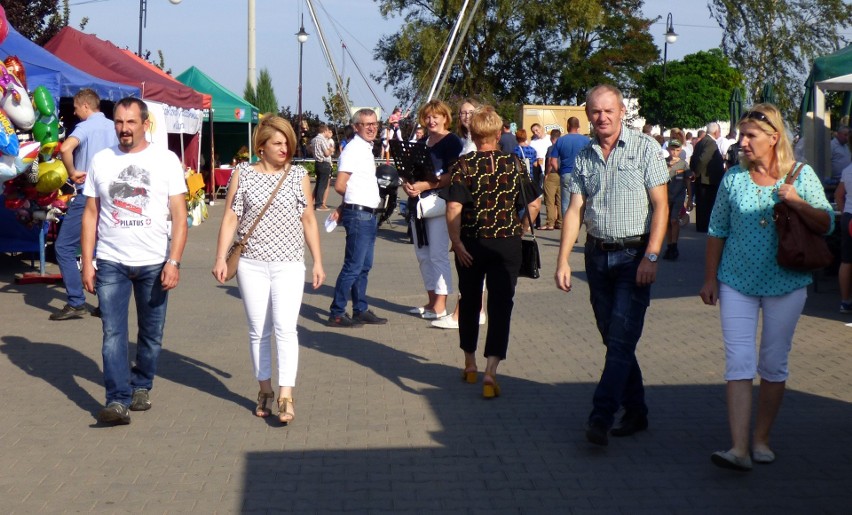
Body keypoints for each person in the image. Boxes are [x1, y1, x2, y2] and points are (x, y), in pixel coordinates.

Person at [699, 104, 834, 471]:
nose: (742, 142)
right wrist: (710, 278)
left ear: (774, 138)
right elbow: (716, 231)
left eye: (750, 136)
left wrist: (796, 201)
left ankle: (761, 439)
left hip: (787, 283)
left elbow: (827, 223)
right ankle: (738, 448)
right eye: (741, 135)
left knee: (773, 363)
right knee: (738, 362)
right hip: (736, 282)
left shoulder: (801, 175)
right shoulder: (733, 179)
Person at [554, 84, 669, 446]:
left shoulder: (644, 148)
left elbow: (662, 206)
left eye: (608, 111)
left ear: (621, 111)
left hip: (634, 257)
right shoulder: (585, 156)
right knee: (614, 339)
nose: (601, 117)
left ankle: (601, 415)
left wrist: (652, 254)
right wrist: (562, 261)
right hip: (596, 257)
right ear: (587, 114)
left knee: (620, 340)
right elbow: (574, 210)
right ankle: (636, 411)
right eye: (595, 111)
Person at [80, 97, 188, 425]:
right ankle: (117, 400)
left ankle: (142, 385)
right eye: (119, 122)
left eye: (130, 123)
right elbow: (91, 213)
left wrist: (174, 261)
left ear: (144, 124)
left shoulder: (166, 160)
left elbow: (179, 216)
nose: (124, 129)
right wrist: (87, 262)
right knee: (112, 332)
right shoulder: (102, 160)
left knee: (151, 332)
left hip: (155, 261)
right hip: (111, 260)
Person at [212, 115, 324, 425]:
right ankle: (265, 390)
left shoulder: (298, 175)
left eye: (287, 142)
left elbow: (309, 220)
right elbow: (231, 218)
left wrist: (317, 261)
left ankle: (286, 394)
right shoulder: (243, 174)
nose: (284, 148)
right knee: (258, 329)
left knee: (286, 328)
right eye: (277, 143)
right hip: (251, 264)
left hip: (288, 263)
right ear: (261, 147)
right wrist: (221, 257)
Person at [446, 105, 541, 398]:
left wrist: (457, 243)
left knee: (470, 301)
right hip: (506, 243)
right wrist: (522, 228)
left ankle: (469, 362)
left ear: (472, 135)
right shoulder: (514, 164)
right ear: (499, 133)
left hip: (472, 244)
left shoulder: (463, 166)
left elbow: (453, 208)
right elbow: (534, 204)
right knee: (501, 305)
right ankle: (491, 371)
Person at [52, 88, 117, 320]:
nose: (75, 112)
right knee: (103, 248)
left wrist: (71, 171)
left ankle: (76, 301)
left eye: (77, 108)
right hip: (112, 196)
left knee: (64, 247)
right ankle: (105, 302)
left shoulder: (86, 126)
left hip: (88, 194)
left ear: (86, 106)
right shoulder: (114, 126)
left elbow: (65, 148)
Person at [327, 109, 388, 328]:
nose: (372, 128)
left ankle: (360, 309)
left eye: (374, 124)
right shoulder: (353, 150)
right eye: (366, 124)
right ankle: (336, 312)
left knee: (364, 265)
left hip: (368, 214)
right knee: (353, 266)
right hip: (359, 214)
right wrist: (349, 204)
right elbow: (340, 184)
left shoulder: (366, 149)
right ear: (356, 127)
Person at [404, 100, 462, 319]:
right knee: (422, 254)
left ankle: (440, 304)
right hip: (418, 203)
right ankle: (431, 301)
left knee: (437, 254)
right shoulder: (423, 142)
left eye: (436, 116)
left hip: (437, 203)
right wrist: (407, 183)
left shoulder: (451, 142)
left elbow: (453, 174)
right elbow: (411, 170)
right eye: (427, 117)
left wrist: (426, 185)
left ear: (445, 118)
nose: (431, 120)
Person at [432, 98, 487, 330]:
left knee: (469, 262)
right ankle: (478, 311)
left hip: (471, 206)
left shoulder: (478, 142)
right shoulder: (465, 141)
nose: (466, 116)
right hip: (464, 205)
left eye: (470, 112)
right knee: (470, 262)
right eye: (463, 113)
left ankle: (462, 314)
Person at [549, 117, 591, 219]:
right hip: (582, 173)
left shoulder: (561, 140)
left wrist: (560, 172)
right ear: (578, 126)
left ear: (568, 125)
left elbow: (553, 161)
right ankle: (580, 223)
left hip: (566, 172)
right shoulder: (586, 140)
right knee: (583, 199)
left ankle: (567, 225)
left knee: (566, 201)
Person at [662, 138, 693, 260]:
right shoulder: (663, 163)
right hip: (665, 197)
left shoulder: (684, 165)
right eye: (672, 149)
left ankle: (674, 246)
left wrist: (689, 199)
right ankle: (669, 245)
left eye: (677, 149)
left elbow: (688, 182)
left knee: (674, 220)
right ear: (668, 149)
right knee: (667, 222)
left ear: (680, 150)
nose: (674, 152)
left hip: (679, 196)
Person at [691, 122, 725, 233]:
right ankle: (704, 226)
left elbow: (694, 158)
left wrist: (695, 171)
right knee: (706, 203)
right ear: (716, 132)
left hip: (703, 178)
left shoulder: (702, 141)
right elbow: (702, 159)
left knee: (701, 203)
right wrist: (697, 172)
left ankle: (701, 225)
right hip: (707, 179)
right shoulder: (710, 143)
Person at [836, 162, 852, 313]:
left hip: (848, 217)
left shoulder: (847, 170)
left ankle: (845, 301)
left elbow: (838, 195)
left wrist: (844, 212)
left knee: (847, 260)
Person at [541, 129, 562, 230]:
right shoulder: (563, 147)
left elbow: (550, 161)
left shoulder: (551, 148)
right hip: (562, 174)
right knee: (560, 200)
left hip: (553, 174)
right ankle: (560, 222)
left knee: (550, 200)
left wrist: (547, 174)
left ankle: (550, 222)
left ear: (551, 138)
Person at [310, 124, 335, 211]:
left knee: (318, 183)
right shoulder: (322, 140)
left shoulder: (314, 140)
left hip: (317, 162)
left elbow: (310, 149)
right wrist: (331, 149)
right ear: (324, 131)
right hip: (324, 162)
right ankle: (319, 204)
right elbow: (327, 153)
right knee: (322, 184)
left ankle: (316, 203)